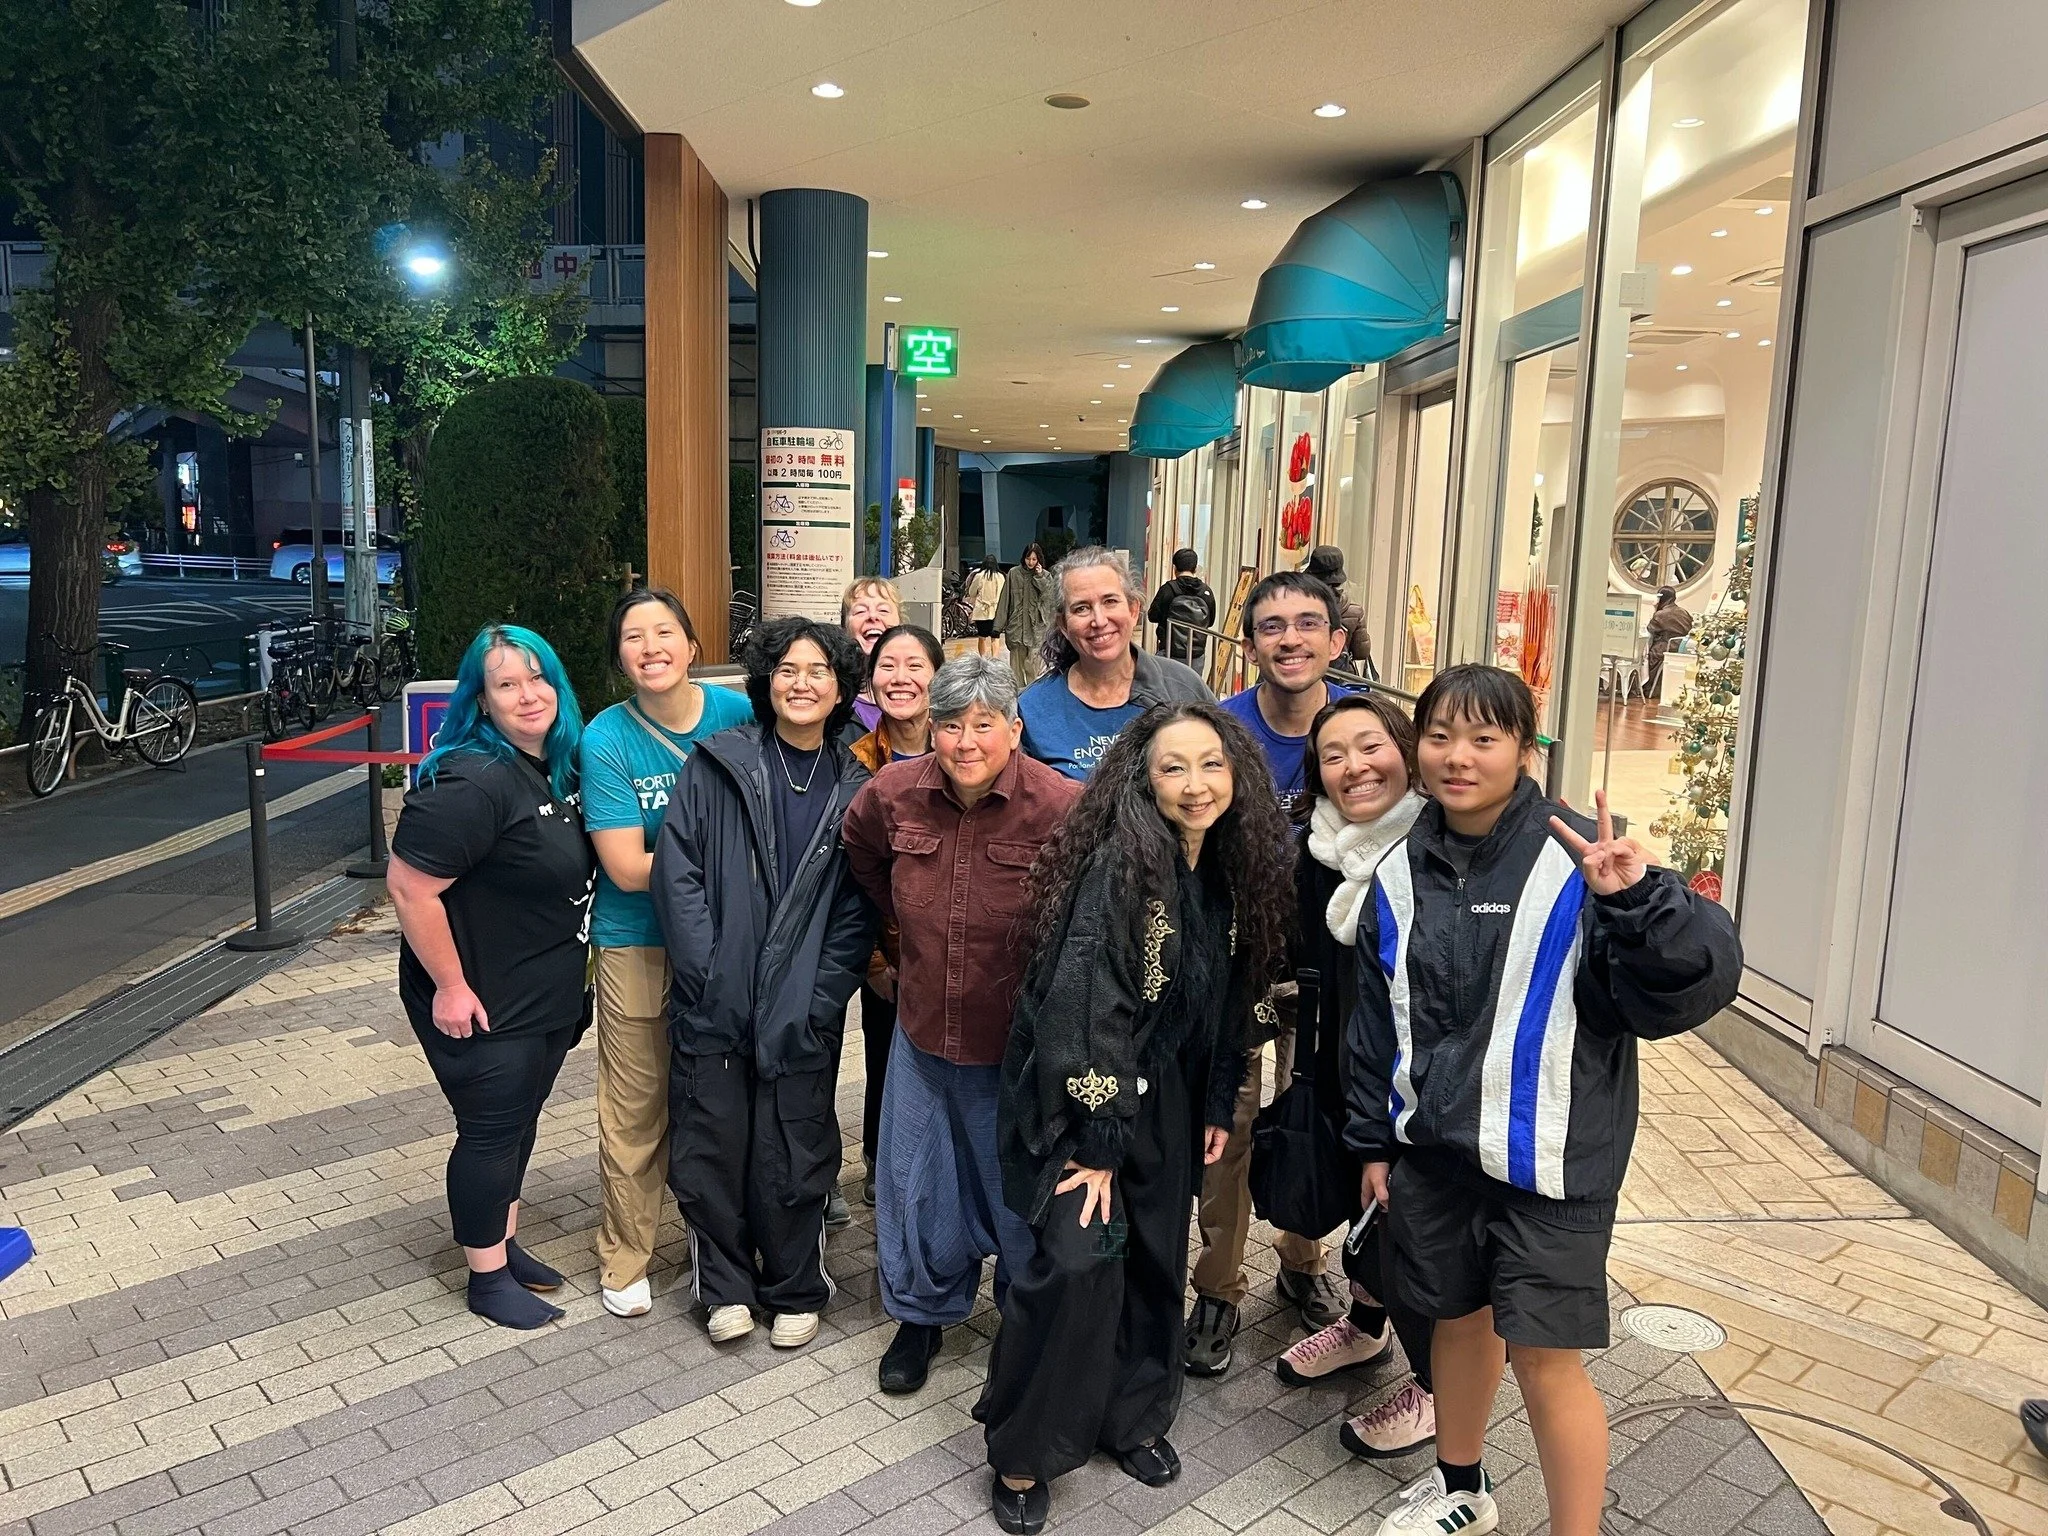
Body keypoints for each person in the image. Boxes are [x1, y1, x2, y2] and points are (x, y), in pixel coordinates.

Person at [1348, 664, 1741, 1536]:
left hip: (1551, 1163)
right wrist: (1371, 1143)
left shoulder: (1585, 860)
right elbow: (1376, 1024)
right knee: (1454, 1320)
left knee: (1545, 1360)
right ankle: (1462, 1491)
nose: (1458, 757)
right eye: (1440, 736)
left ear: (1526, 750)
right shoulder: (1400, 870)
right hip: (1439, 1154)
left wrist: (1640, 903)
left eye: (1485, 739)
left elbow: (1695, 981)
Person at [976, 703, 1294, 1535]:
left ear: (1237, 775)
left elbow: (1236, 1000)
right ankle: (1024, 1448)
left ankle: (1135, 1416)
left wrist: (1222, 1096)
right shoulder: (1123, 866)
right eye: (1173, 767)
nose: (1195, 784)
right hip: (1094, 1103)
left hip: (1178, 1098)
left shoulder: (1232, 865)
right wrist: (1100, 1142)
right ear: (1142, 779)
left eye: (1211, 764)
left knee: (1157, 1255)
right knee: (1077, 1263)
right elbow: (1089, 1012)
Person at [842, 656, 1082, 1396]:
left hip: (1016, 1050)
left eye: (984, 724)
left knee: (1016, 1196)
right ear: (931, 731)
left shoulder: (1062, 805)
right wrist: (895, 950)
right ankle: (920, 1318)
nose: (966, 741)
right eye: (951, 725)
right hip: (921, 1036)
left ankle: (1022, 1322)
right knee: (917, 1190)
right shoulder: (892, 795)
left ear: (1014, 728)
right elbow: (864, 858)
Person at [651, 616, 879, 1349]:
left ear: (842, 687)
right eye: (787, 669)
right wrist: (709, 974)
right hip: (716, 997)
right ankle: (723, 1286)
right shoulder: (716, 764)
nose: (801, 683)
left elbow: (857, 910)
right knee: (712, 1144)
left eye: (818, 671)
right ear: (766, 681)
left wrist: (819, 1002)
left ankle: (793, 1285)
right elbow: (677, 875)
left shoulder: (857, 786)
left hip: (800, 1008)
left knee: (794, 1146)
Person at [387, 625, 595, 1330]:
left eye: (539, 679)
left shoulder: (550, 765)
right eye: (507, 684)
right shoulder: (470, 779)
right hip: (478, 996)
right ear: (482, 698)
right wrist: (450, 985)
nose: (528, 694)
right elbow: (411, 889)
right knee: (489, 1129)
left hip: (540, 988)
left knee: (519, 1124)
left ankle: (502, 1245)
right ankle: (484, 1276)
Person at [1186, 570, 1354, 1375]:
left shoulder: (1358, 729)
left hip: (1330, 965)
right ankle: (1217, 1288)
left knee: (1316, 1112)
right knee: (1231, 1125)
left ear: (1336, 641)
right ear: (1247, 642)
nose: (1290, 639)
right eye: (1272, 625)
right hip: (1237, 964)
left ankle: (1304, 1260)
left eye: (1307, 624)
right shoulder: (1220, 730)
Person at [1269, 693, 1437, 1461]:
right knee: (1364, 1213)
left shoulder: (1438, 846)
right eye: (1333, 755)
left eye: (1370, 747)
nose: (1354, 767)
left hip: (1428, 1084)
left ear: (1405, 751)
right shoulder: (1319, 849)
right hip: (1344, 1061)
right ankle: (1367, 1331)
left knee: (1419, 1234)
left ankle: (1439, 1391)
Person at [580, 589, 753, 1320]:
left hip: (730, 941)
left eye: (664, 633)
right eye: (632, 637)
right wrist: (724, 858)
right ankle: (627, 1252)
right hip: (638, 943)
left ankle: (719, 1243)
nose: (650, 647)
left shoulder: (736, 714)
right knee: (637, 1104)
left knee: (719, 1098)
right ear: (620, 655)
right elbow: (624, 868)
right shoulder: (606, 739)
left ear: (691, 643)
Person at [847, 623, 945, 1206]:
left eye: (914, 665)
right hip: (886, 945)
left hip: (958, 941)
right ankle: (880, 1165)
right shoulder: (855, 756)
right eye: (888, 666)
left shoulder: (965, 744)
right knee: (884, 1049)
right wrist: (876, 960)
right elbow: (854, 870)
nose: (900, 678)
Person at [1018, 546, 1212, 781]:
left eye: (1110, 601)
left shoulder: (1183, 686)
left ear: (1133, 610)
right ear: (1063, 624)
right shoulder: (1033, 709)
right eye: (1081, 608)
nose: (1099, 621)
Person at [842, 577, 904, 734]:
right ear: (845, 626)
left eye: (883, 610)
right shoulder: (835, 696)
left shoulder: (919, 689)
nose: (873, 617)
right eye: (860, 611)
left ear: (900, 625)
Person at [1304, 545, 1375, 678]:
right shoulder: (1354, 611)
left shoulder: (1300, 608)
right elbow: (1361, 652)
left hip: (1306, 675)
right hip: (1341, 678)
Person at [992, 542, 1056, 688]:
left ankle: (1031, 698)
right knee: (1016, 671)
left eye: (1034, 559)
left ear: (1039, 559)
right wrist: (997, 626)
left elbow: (1050, 600)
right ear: (1024, 558)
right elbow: (1005, 600)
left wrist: (1039, 577)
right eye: (1028, 559)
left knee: (1033, 668)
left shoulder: (1046, 576)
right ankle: (1017, 700)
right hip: (1017, 629)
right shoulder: (1014, 574)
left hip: (1037, 630)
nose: (1031, 562)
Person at [1147, 547, 1216, 668]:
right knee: (1191, 685)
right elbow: (1210, 622)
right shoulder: (1206, 592)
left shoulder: (1168, 589)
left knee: (1167, 684)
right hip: (1196, 655)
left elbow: (1152, 616)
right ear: (1195, 568)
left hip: (1169, 652)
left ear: (1175, 569)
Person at [1644, 586, 1693, 700]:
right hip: (1682, 646)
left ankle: (1649, 687)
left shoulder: (1660, 614)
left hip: (1667, 646)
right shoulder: (1684, 612)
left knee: (1648, 656)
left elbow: (1650, 629)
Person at [966, 554, 1006, 658]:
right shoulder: (1000, 576)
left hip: (982, 611)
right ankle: (995, 659)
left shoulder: (979, 576)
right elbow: (1004, 594)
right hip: (996, 611)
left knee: (982, 637)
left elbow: (971, 592)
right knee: (995, 637)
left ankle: (983, 659)